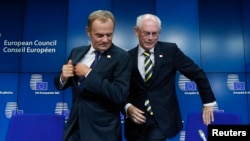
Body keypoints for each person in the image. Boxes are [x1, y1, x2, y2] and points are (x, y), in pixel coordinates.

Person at [124, 14, 217, 141]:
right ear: (136, 31)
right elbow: (119, 89)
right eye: (146, 33)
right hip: (135, 123)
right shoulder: (126, 57)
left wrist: (208, 102)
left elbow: (197, 74)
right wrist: (127, 107)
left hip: (161, 120)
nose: (151, 38)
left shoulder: (170, 51)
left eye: (155, 33)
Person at [54, 10, 131, 141]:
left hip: (102, 132)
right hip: (75, 127)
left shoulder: (122, 57)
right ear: (88, 32)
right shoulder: (76, 52)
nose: (105, 40)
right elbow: (60, 85)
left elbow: (120, 95)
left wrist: (89, 74)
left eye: (109, 35)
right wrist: (63, 77)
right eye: (99, 35)